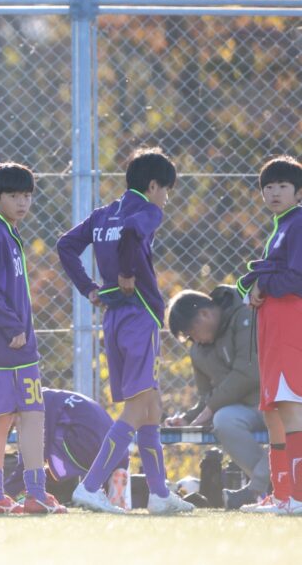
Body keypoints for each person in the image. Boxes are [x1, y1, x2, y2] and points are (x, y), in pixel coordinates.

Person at [57, 147, 193, 514]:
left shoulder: (103, 215)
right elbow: (133, 232)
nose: (166, 199)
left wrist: (89, 288)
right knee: (139, 405)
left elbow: (65, 245)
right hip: (140, 314)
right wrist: (129, 273)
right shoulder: (146, 211)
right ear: (153, 186)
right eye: (166, 190)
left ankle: (159, 494)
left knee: (152, 405)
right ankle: (90, 486)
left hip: (113, 317)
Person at [0, 162, 66, 514]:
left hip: (17, 347)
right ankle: (7, 494)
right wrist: (12, 326)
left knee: (25, 414)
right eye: (13, 195)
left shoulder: (8, 231)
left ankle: (22, 493)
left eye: (27, 195)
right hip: (7, 345)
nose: (22, 202)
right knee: (11, 417)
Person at [235, 155, 302, 515]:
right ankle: (282, 495)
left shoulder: (299, 223)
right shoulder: (282, 225)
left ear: (298, 192)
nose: (275, 192)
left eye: (283, 186)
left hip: (290, 326)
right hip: (272, 330)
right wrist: (254, 282)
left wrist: (262, 281)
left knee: (290, 409)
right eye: (268, 187)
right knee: (273, 414)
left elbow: (296, 278)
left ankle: (298, 497)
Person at [165, 285, 267, 508]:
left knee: (289, 426)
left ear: (205, 314)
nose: (194, 340)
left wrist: (210, 408)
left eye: (193, 332)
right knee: (223, 420)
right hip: (244, 410)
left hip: (275, 401)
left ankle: (257, 490)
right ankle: (271, 487)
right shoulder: (198, 350)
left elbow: (249, 372)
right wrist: (189, 418)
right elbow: (207, 398)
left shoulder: (246, 314)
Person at [5, 388, 128, 503]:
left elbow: (31, 454)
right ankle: (112, 479)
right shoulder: (51, 397)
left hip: (83, 440)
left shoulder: (32, 410)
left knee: (40, 447)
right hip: (116, 451)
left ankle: (24, 491)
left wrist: (8, 491)